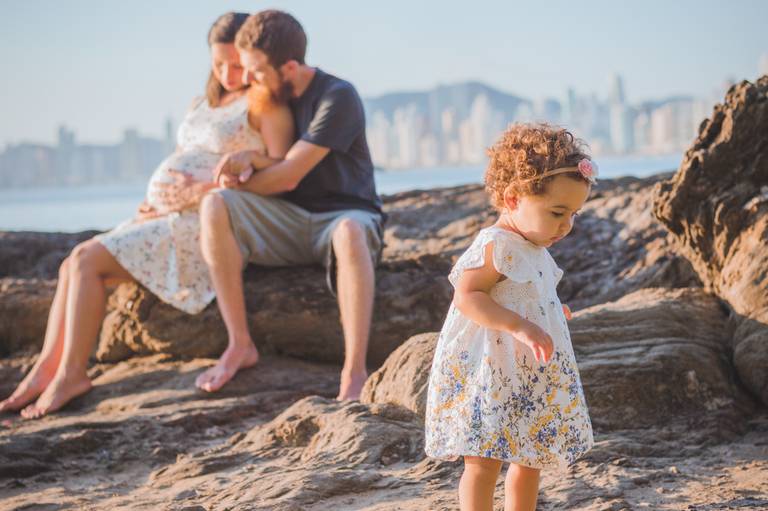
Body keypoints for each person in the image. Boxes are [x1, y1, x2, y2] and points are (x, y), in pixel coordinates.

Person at [0, 12, 293, 418]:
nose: (227, 72)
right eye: (218, 63)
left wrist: (198, 190)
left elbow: (279, 175)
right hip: (166, 217)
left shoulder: (266, 104)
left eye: (236, 63)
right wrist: (157, 199)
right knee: (73, 263)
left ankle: (71, 373)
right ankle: (45, 369)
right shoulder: (202, 101)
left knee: (87, 261)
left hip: (205, 225)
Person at [179, 10, 385, 399]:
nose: (248, 79)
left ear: (289, 66)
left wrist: (251, 169)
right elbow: (277, 167)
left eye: (255, 71)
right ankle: (239, 343)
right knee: (216, 204)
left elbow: (290, 173)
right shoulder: (272, 96)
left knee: (350, 231)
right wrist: (248, 163)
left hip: (344, 216)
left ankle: (354, 373)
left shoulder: (337, 96)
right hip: (288, 220)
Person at [424, 124, 595, 511]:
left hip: (527, 372)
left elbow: (528, 294)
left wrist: (550, 311)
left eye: (574, 214)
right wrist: (519, 324)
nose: (566, 225)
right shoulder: (496, 244)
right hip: (489, 369)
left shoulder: (535, 246)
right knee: (483, 459)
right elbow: (467, 296)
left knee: (530, 456)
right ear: (513, 198)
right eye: (557, 212)